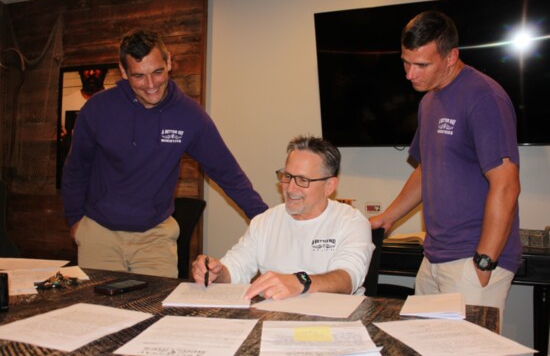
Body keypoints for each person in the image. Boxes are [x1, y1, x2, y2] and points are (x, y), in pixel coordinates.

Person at [62, 29, 268, 278]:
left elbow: (227, 172)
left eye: (157, 72)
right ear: (124, 71)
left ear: (169, 62)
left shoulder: (189, 115)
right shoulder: (97, 109)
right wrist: (75, 220)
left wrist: (268, 222)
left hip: (155, 238)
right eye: (139, 76)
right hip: (99, 234)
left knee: (157, 313)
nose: (151, 85)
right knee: (98, 315)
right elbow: (76, 168)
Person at [370, 11, 521, 319]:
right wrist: (387, 218)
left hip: (472, 260)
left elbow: (506, 184)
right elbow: (427, 168)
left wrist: (483, 263)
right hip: (434, 257)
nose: (410, 74)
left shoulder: (484, 98)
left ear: (452, 56)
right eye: (406, 62)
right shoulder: (429, 101)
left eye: (422, 64)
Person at [192, 135, 374, 300]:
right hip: (274, 318)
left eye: (303, 180)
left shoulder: (351, 222)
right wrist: (216, 273)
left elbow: (347, 280)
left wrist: (299, 281)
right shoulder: (265, 221)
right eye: (287, 176)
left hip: (335, 321)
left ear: (329, 186)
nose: (290, 188)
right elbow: (235, 268)